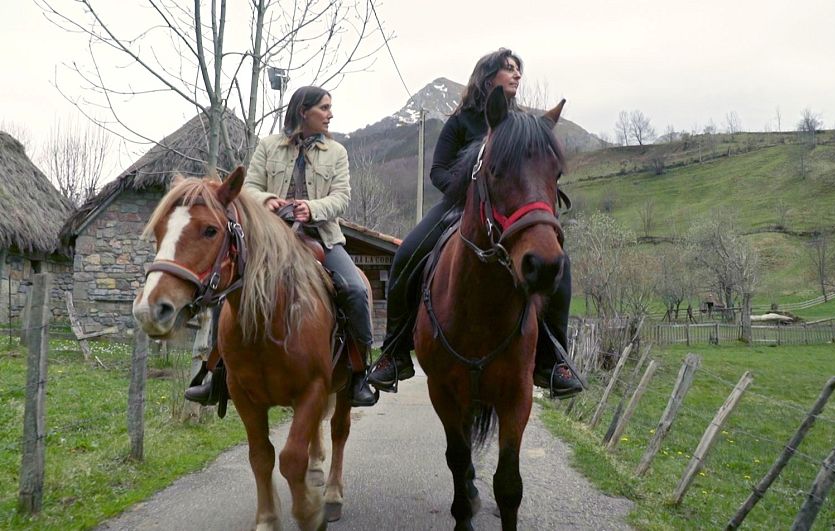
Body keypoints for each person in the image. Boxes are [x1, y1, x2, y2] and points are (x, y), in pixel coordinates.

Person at [367, 48, 583, 399]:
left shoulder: (523, 125)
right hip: (459, 208)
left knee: (561, 263)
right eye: (509, 69)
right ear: (488, 76)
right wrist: (469, 188)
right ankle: (393, 352)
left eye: (518, 70)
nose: (516, 75)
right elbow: (438, 170)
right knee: (408, 252)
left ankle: (554, 359)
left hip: (506, 214)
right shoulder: (461, 120)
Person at [185, 86, 378, 407]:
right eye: (325, 108)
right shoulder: (268, 146)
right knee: (228, 285)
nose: (331, 114)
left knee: (356, 290)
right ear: (304, 111)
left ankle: (359, 374)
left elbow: (341, 197)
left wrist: (310, 208)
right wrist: (268, 200)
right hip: (269, 237)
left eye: (330, 108)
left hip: (321, 237)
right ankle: (217, 374)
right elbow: (249, 189)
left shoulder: (337, 153)